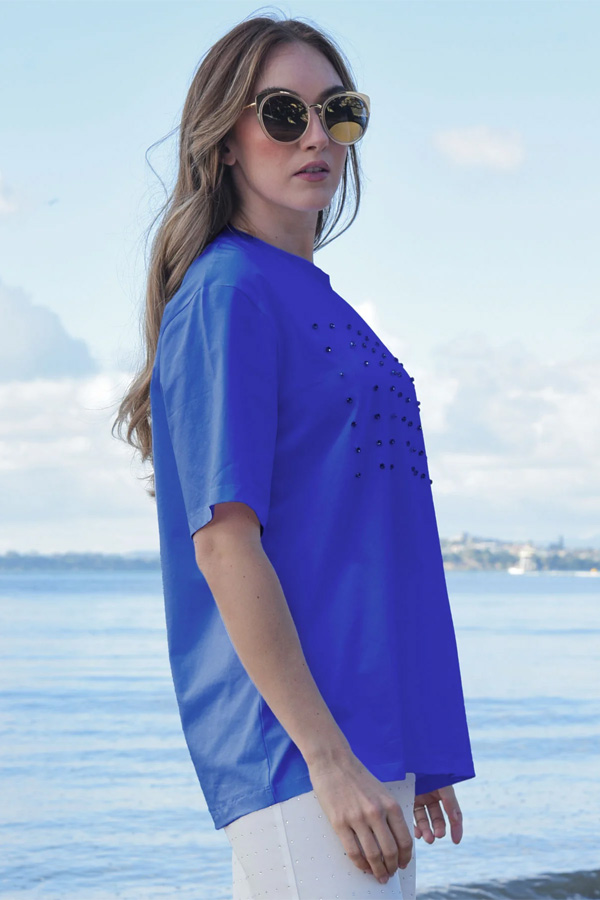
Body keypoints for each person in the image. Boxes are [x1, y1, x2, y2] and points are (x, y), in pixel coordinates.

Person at [112, 12, 476, 899]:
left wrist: (417, 741)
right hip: (302, 754)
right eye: (283, 112)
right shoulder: (229, 293)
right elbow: (223, 544)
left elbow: (365, 536)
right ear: (224, 140)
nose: (316, 136)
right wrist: (329, 758)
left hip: (364, 740)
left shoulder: (315, 299)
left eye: (337, 112)